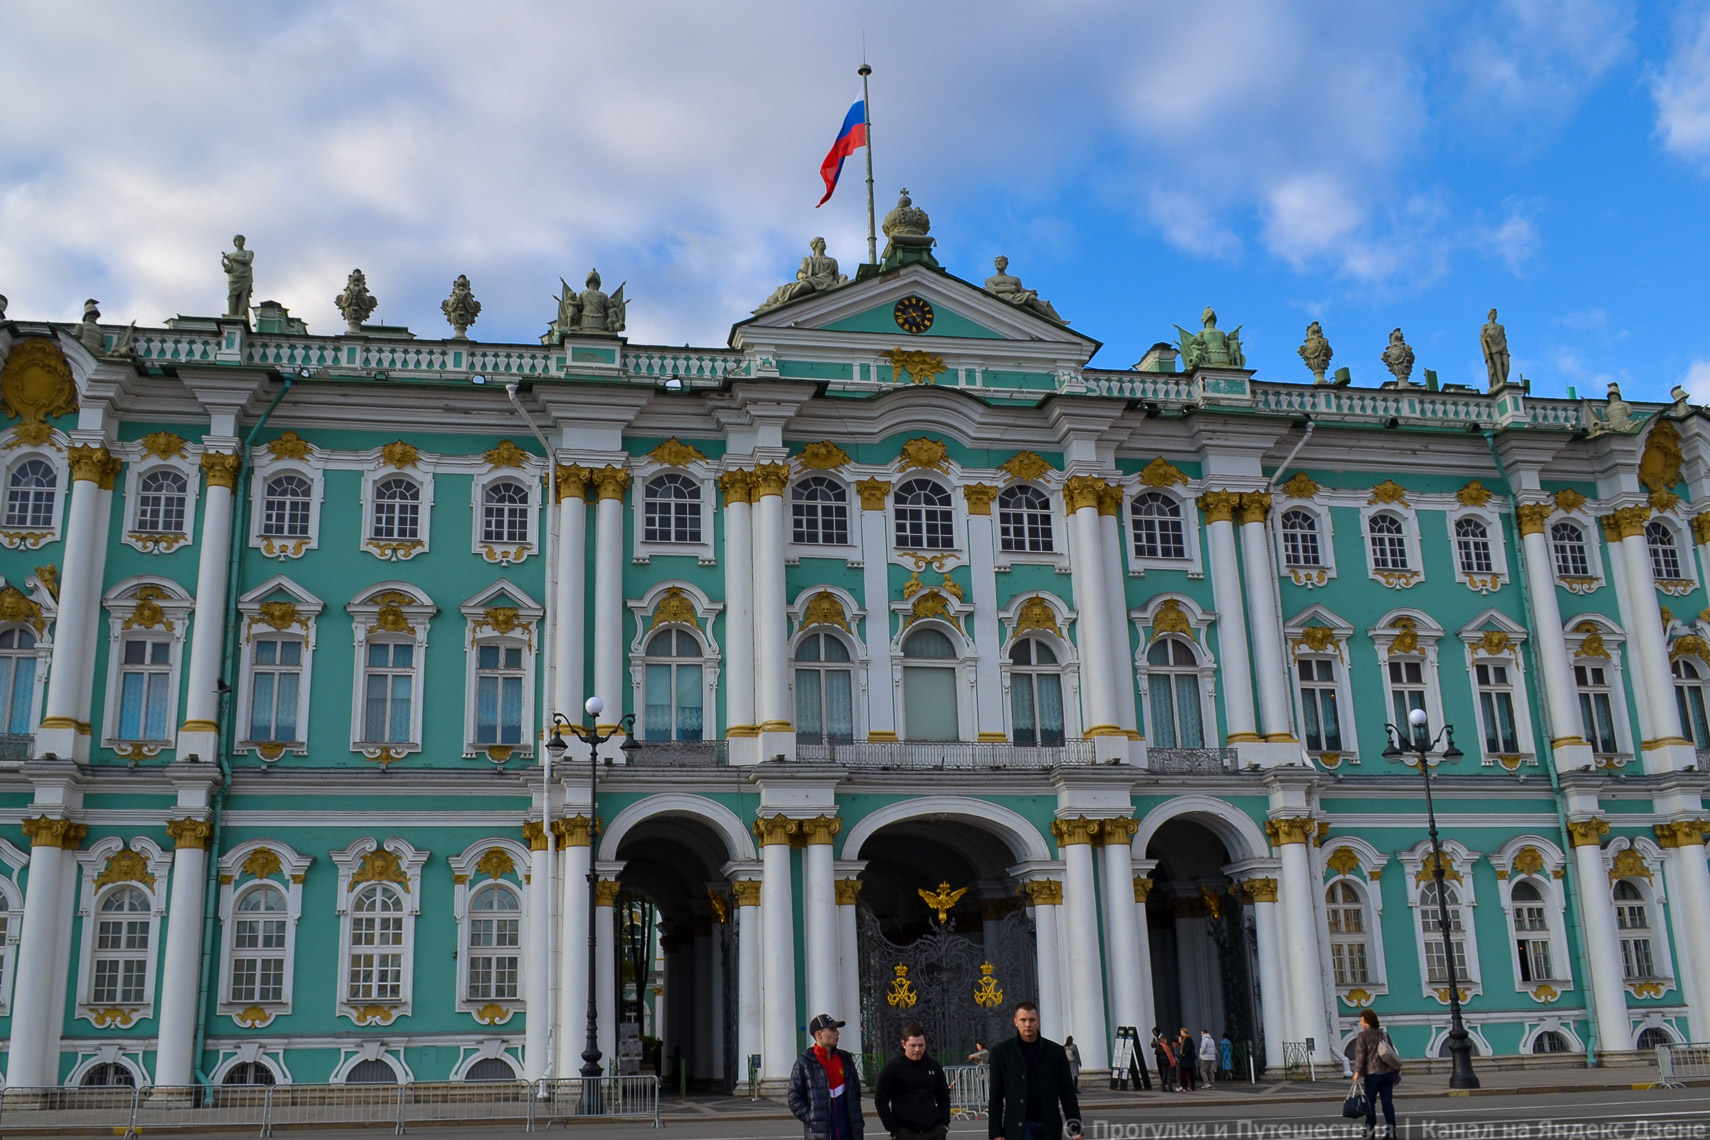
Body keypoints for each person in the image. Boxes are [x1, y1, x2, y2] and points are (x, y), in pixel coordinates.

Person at [987, 1001, 1081, 1140]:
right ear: (1015, 1022)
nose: (1027, 1024)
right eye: (1023, 1020)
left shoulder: (1055, 1052)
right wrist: (996, 1133)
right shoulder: (1001, 1053)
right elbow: (995, 1096)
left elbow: (1067, 1094)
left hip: (1048, 1126)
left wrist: (1076, 1129)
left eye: (1031, 1020)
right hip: (1019, 1127)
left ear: (1038, 1021)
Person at [788, 1013, 865, 1140]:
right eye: (832, 1030)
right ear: (818, 1035)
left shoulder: (845, 1059)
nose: (837, 1033)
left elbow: (855, 1092)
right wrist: (812, 1118)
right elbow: (794, 1098)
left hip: (849, 1134)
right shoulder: (804, 1063)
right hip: (820, 1135)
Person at [875, 1023, 950, 1140]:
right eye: (913, 1045)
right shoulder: (893, 1067)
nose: (917, 1050)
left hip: (934, 1131)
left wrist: (944, 1123)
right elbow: (880, 1099)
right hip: (905, 1131)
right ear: (904, 1044)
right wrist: (893, 1129)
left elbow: (943, 1096)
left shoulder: (934, 1066)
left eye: (921, 1045)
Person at [1351, 1008, 1400, 1139]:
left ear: (1367, 1021)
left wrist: (1357, 1072)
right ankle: (1391, 1131)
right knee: (1387, 1104)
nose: (1361, 1023)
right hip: (1387, 1073)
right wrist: (1396, 1071)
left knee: (1370, 1104)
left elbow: (1361, 1055)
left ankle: (1370, 1131)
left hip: (1372, 1074)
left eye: (1362, 1021)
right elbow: (1391, 1053)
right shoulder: (1384, 1034)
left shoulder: (1362, 1036)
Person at [1150, 1028, 1176, 1092]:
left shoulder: (1159, 1046)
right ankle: (1169, 1086)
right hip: (1166, 1060)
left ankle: (1163, 1086)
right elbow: (1169, 1053)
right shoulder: (1165, 1047)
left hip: (1162, 1060)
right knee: (1168, 1073)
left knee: (1164, 1073)